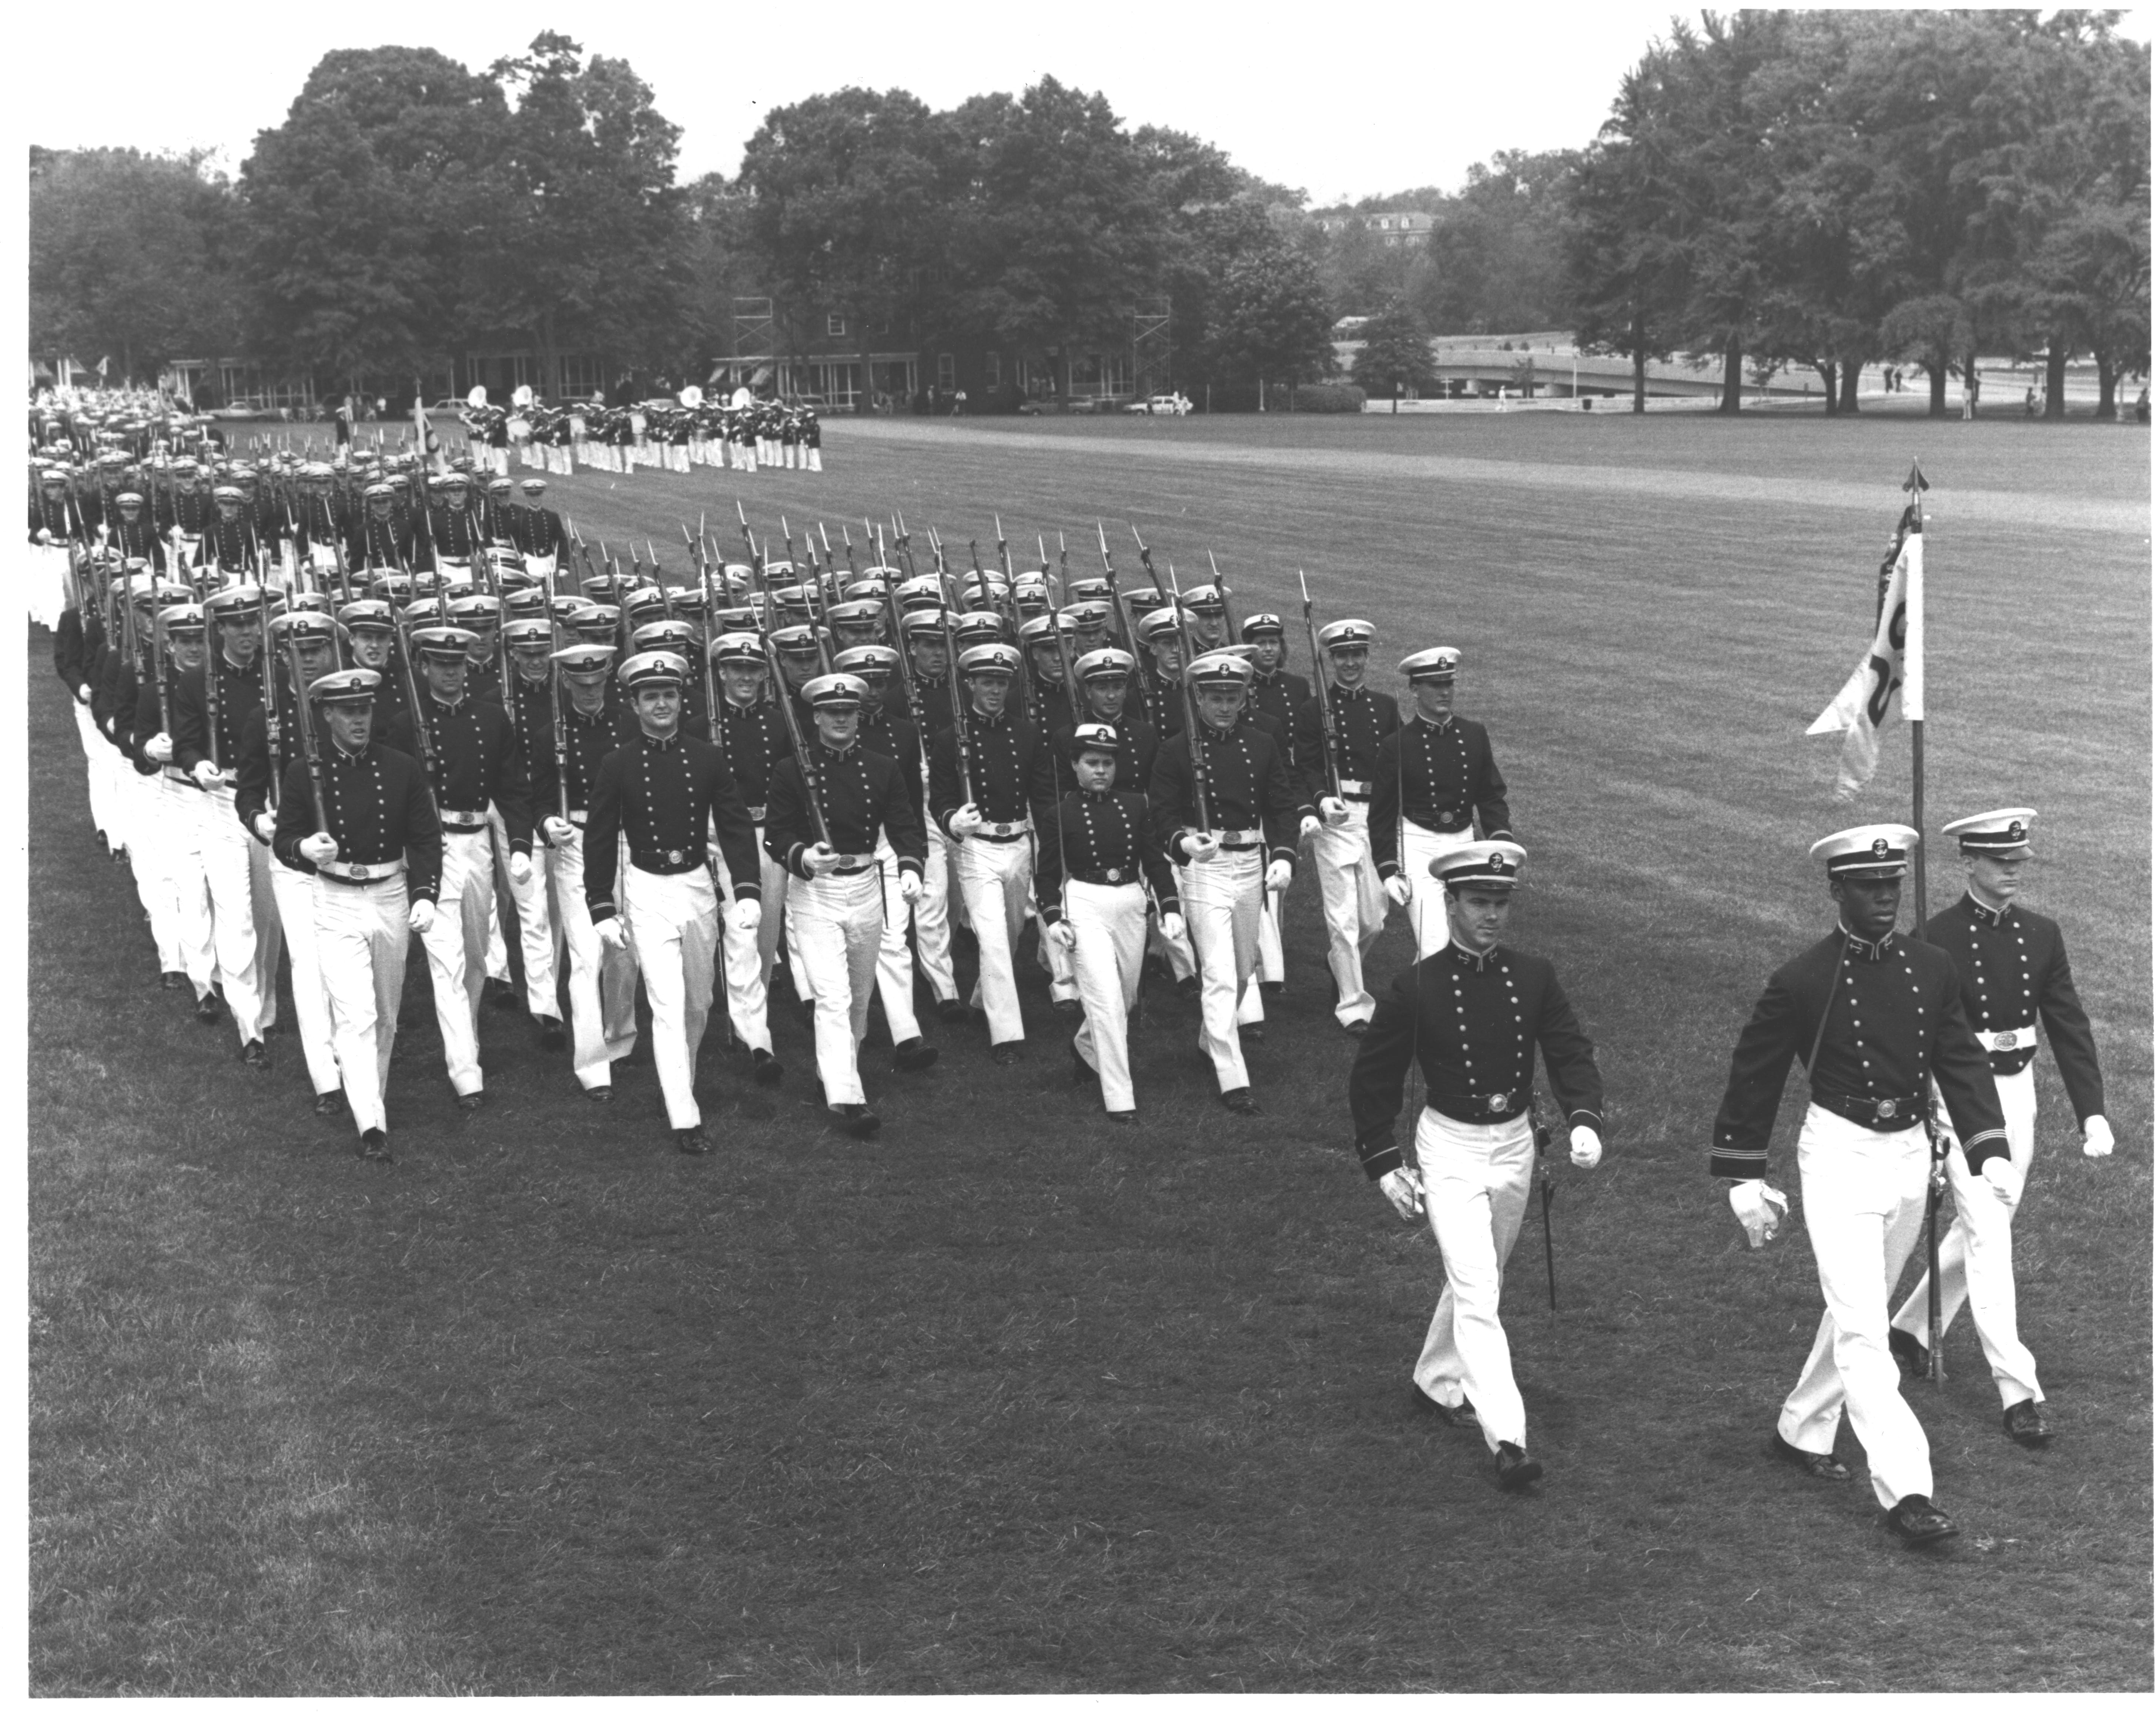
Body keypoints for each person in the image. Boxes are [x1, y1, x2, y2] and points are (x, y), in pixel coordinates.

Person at [1710, 825, 2011, 1548]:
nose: (1883, 896)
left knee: (1860, 1308)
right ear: (1835, 889)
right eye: (1867, 885)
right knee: (1862, 1329)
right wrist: (1742, 1175)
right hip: (1838, 1156)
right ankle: (1907, 1488)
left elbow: (1958, 1058)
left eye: (1891, 883)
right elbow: (1754, 1075)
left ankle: (1799, 1426)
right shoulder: (1802, 978)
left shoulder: (1930, 966)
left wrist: (1988, 1148)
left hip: (1907, 1154)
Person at [1348, 839, 1605, 1491]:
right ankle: (1509, 1439)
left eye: (1500, 902)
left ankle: (1434, 1380)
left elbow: (1569, 1050)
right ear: (1450, 902)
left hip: (1515, 1145)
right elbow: (1373, 1079)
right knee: (1478, 1290)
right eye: (1477, 902)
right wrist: (1384, 1161)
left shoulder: (1534, 976)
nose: (1491, 915)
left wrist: (1582, 1116)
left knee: (1480, 1277)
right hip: (1449, 1148)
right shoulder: (1417, 986)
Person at [1886, 810, 2115, 1446]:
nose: (2012, 870)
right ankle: (2018, 1390)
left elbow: (2067, 1024)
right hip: (1957, 1095)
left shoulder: (2041, 934)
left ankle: (1908, 1328)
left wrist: (2091, 1110)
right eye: (1999, 861)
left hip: (2016, 1093)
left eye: (2018, 861)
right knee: (1990, 1233)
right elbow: (1913, 1031)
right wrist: (1922, 1108)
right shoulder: (1935, 936)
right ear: (1968, 862)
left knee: (1985, 1224)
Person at [583, 650, 765, 1153]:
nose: (660, 704)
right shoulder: (617, 764)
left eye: (668, 695)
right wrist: (601, 905)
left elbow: (735, 825)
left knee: (699, 1001)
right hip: (647, 888)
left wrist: (747, 889)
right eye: (650, 697)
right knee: (666, 1003)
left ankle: (681, 1080)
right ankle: (684, 1114)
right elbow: (599, 837)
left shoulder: (707, 758)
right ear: (635, 705)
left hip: (697, 886)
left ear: (681, 700)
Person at [272, 668, 443, 1161]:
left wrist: (425, 894)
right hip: (336, 898)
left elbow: (425, 838)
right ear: (328, 714)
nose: (359, 720)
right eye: (348, 711)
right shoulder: (305, 772)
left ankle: (371, 1096)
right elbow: (284, 840)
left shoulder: (402, 768)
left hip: (390, 894)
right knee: (355, 1014)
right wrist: (306, 847)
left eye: (364, 710)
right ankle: (371, 1124)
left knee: (386, 1014)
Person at [1148, 649, 1314, 1114]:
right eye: (1215, 697)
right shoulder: (1176, 748)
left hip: (1250, 865)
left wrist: (1284, 855)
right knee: (1219, 974)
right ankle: (1231, 1075)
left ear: (1243, 698)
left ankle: (1210, 1037)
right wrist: (1183, 842)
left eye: (1232, 697)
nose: (1224, 706)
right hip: (1206, 868)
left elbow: (1281, 805)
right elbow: (1161, 813)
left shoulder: (1261, 744)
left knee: (1242, 972)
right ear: (1198, 698)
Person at [766, 670, 929, 1137]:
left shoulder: (882, 767)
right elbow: (776, 834)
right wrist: (803, 856)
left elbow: (905, 826)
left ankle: (835, 1070)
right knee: (833, 996)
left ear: (858, 716)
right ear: (816, 717)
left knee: (858, 996)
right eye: (831, 712)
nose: (840, 719)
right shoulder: (791, 770)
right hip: (817, 890)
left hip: (866, 887)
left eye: (848, 712)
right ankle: (849, 1098)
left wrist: (912, 867)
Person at [408, 623, 536, 1111]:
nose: (450, 672)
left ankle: (468, 1037)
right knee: (447, 961)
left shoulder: (490, 719)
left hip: (477, 841)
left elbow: (512, 787)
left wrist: (519, 844)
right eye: (440, 664)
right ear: (424, 667)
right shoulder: (406, 722)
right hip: (430, 846)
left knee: (478, 955)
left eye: (457, 663)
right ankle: (466, 1071)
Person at [1035, 722, 1182, 1121]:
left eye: (1107, 763)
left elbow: (1155, 861)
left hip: (1130, 901)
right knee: (1106, 1001)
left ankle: (1085, 1048)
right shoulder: (1059, 813)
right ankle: (1120, 1096)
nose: (1100, 770)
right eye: (1091, 763)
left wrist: (1170, 906)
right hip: (1085, 901)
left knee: (1126, 998)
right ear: (1074, 764)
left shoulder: (1135, 805)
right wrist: (1053, 917)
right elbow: (1046, 876)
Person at [927, 641, 1058, 1062]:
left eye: (1002, 682)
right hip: (976, 848)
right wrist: (952, 820)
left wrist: (1052, 843)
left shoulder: (1028, 734)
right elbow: (940, 797)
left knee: (1012, 933)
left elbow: (1042, 795)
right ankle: (1006, 1036)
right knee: (995, 940)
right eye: (987, 682)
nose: (995, 690)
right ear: (971, 684)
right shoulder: (951, 737)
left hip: (1018, 843)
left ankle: (983, 998)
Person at [529, 642, 642, 1101]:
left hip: (627, 842)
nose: (591, 692)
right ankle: (593, 1063)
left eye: (597, 683)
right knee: (585, 953)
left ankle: (620, 1034)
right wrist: (546, 823)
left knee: (625, 950)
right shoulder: (549, 735)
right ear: (566, 681)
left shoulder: (629, 725)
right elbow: (536, 797)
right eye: (581, 684)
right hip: (577, 841)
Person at [1369, 646, 1512, 956]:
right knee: (1435, 946)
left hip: (1464, 845)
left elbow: (1490, 795)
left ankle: (1418, 989)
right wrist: (1388, 869)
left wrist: (1502, 841)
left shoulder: (1474, 735)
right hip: (1418, 848)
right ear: (1415, 689)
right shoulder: (1397, 745)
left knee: (1465, 944)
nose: (1444, 692)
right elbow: (1381, 815)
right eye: (1435, 685)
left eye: (1448, 683)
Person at [1297, 618, 1400, 1032]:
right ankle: (1353, 1006)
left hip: (1376, 816)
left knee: (1374, 918)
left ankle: (1339, 964)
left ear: (1367, 656)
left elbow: (1397, 761)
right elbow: (1306, 764)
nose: (1351, 663)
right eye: (1343, 656)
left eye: (1357, 654)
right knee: (1342, 918)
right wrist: (1322, 798)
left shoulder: (1385, 706)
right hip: (1336, 819)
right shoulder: (1313, 710)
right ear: (1331, 660)